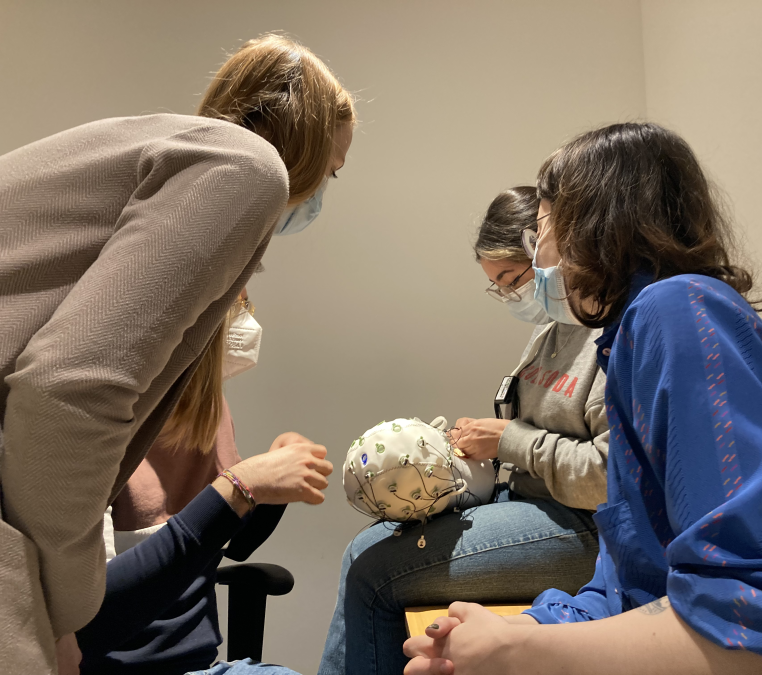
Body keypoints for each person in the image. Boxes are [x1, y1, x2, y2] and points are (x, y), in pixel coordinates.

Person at [403, 123, 762, 675]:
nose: (538, 258)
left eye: (538, 231)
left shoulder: (677, 310)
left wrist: (518, 650)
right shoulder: (630, 340)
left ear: (591, 225)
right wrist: (518, 628)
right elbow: (628, 587)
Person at [0, 33, 355, 674]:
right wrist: (60, 617)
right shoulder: (246, 169)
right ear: (298, 150)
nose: (321, 194)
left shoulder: (145, 157)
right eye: (330, 172)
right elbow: (65, 391)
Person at [317, 186, 609, 675]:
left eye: (513, 278)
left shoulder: (611, 337)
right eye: (498, 285)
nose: (512, 295)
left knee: (373, 573)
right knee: (368, 544)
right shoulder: (555, 330)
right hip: (530, 498)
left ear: (546, 249)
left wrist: (507, 439)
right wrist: (470, 448)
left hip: (584, 526)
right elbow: (528, 430)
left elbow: (606, 477)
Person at [72, 292, 331, 675]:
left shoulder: (204, 405)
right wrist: (242, 484)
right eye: (238, 295)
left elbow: (233, 544)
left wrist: (270, 486)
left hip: (200, 665)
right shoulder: (91, 425)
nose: (245, 307)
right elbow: (93, 621)